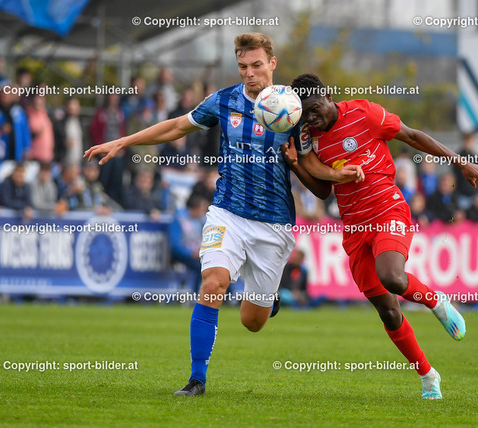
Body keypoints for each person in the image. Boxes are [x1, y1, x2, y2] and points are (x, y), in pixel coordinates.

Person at [84, 33, 362, 397]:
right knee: (213, 283)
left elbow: (308, 163)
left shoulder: (293, 109)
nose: (250, 73)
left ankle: (268, 300)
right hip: (227, 212)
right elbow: (177, 126)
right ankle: (196, 379)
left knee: (252, 322)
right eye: (243, 66)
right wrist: (125, 141)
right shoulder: (224, 100)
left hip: (274, 223)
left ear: (272, 64)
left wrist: (337, 175)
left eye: (257, 65)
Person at [289, 73, 478, 399]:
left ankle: (436, 301)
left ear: (328, 97)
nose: (311, 118)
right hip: (354, 227)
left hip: (387, 210)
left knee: (392, 277)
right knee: (389, 311)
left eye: (314, 109)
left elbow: (411, 136)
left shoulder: (365, 113)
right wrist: (297, 166)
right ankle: (428, 376)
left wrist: (459, 160)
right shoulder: (308, 136)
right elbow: (323, 191)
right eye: (305, 113)